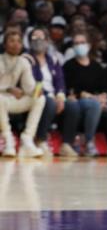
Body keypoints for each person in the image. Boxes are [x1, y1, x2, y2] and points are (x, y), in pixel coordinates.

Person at [62, 32, 107, 157]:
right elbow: (70, 88)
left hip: (96, 98)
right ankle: (88, 143)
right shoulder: (68, 65)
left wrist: (103, 96)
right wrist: (92, 97)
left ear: (89, 45)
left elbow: (104, 87)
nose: (80, 45)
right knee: (94, 105)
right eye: (76, 43)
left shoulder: (96, 66)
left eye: (82, 42)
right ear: (73, 47)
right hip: (80, 100)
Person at [1, 29, 45, 158]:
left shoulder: (23, 61)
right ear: (4, 44)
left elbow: (28, 86)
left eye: (19, 41)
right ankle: (8, 140)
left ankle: (27, 139)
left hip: (12, 101)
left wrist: (36, 90)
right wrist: (8, 89)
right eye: (12, 41)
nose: (16, 44)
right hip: (1, 99)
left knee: (40, 99)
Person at [25, 27, 66, 156]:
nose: (37, 40)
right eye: (34, 38)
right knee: (49, 102)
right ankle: (41, 139)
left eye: (41, 37)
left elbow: (59, 80)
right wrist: (51, 96)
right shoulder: (26, 58)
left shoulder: (53, 59)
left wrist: (60, 96)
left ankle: (67, 143)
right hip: (35, 94)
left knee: (73, 106)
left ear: (47, 40)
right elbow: (32, 81)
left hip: (53, 95)